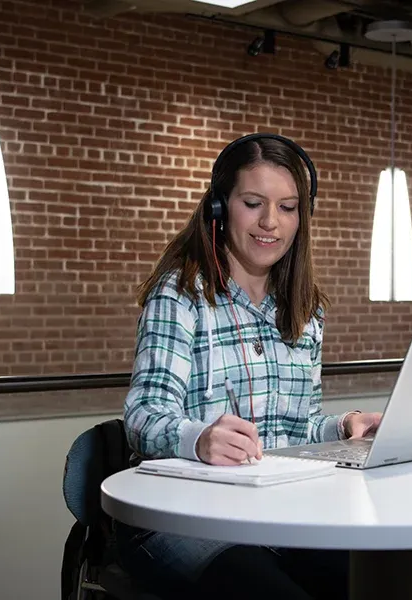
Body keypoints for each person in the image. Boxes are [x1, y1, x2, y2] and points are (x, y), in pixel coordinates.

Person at [115, 133, 384, 600]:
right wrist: (199, 438)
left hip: (277, 512)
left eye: (287, 207)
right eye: (254, 202)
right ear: (219, 208)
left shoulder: (305, 308)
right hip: (187, 518)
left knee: (381, 589)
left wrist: (342, 426)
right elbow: (142, 418)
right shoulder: (180, 296)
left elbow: (292, 429)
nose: (270, 223)